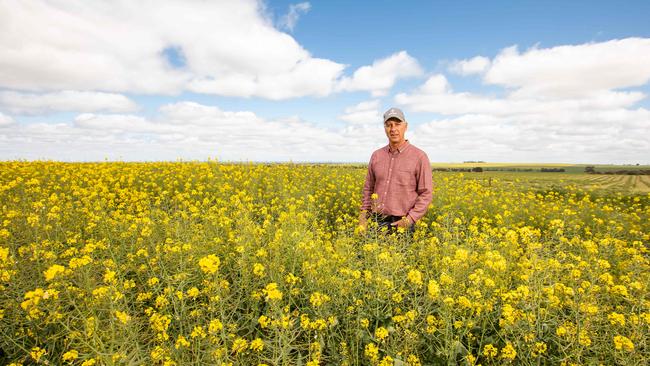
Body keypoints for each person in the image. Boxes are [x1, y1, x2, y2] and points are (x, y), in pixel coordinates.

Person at [358, 107, 433, 235]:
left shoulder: (419, 157)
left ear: (405, 126)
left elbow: (426, 193)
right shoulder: (376, 155)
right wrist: (363, 216)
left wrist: (410, 220)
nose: (393, 129)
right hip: (376, 220)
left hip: (403, 223)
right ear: (385, 129)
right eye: (388, 125)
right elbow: (368, 189)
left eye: (397, 124)